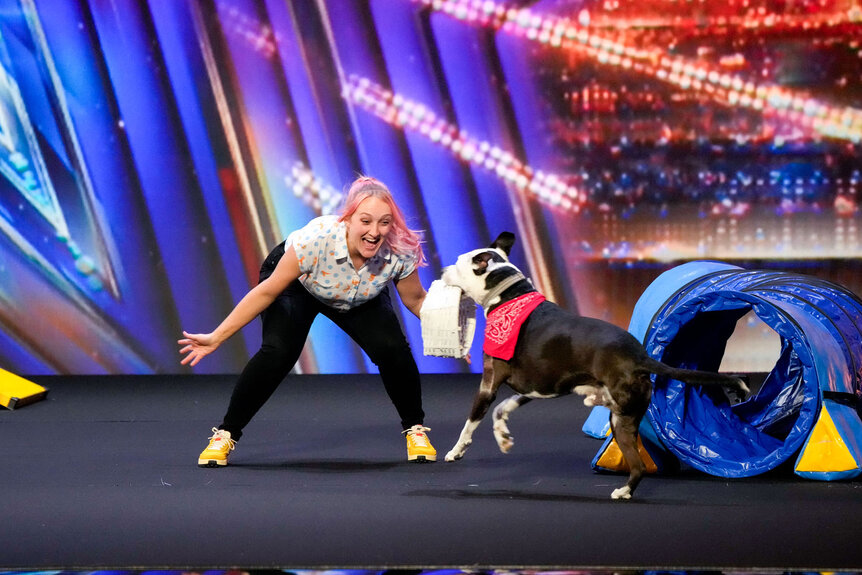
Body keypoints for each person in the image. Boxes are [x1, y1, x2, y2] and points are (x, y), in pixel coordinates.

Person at [178, 176, 436, 466]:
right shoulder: (318, 241)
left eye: (384, 223)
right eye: (365, 221)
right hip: (298, 286)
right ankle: (225, 433)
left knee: (394, 351)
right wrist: (217, 337)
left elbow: (416, 300)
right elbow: (267, 291)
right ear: (348, 219)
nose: (375, 232)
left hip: (358, 295)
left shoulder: (399, 250)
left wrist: (452, 334)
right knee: (278, 352)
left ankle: (415, 429)